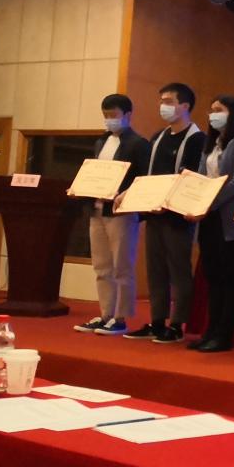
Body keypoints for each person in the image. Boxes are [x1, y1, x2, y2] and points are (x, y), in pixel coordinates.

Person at [118, 82, 205, 344]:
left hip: (178, 215)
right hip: (154, 212)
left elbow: (193, 178)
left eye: (168, 101)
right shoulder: (158, 137)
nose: (162, 106)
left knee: (178, 269)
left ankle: (177, 324)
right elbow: (148, 175)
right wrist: (130, 193)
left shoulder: (197, 139)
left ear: (185, 106)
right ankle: (157, 321)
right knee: (155, 270)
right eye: (161, 101)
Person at [75, 94, 150, 335]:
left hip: (121, 212)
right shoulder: (101, 141)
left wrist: (124, 193)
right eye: (105, 115)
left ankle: (120, 317)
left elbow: (145, 179)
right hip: (97, 208)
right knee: (101, 266)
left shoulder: (138, 144)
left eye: (113, 115)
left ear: (127, 115)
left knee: (122, 266)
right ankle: (105, 313)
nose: (109, 120)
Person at [189, 95, 234, 352]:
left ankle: (225, 334)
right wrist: (194, 200)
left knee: (231, 278)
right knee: (213, 276)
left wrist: (209, 203)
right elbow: (200, 176)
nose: (213, 114)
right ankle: (211, 330)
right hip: (208, 219)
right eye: (212, 109)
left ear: (233, 113)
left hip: (231, 221)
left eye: (219, 109)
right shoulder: (212, 143)